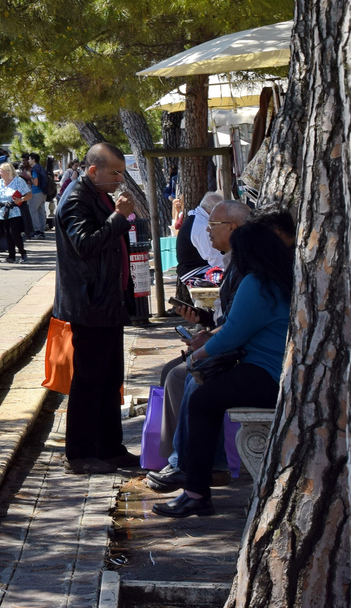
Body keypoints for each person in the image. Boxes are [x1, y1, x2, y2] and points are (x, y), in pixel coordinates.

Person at [153, 216, 293, 517]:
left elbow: (231, 334)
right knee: (204, 397)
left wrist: (196, 356)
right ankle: (193, 482)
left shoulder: (257, 283)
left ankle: (196, 491)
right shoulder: (280, 278)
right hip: (275, 369)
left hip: (266, 373)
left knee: (203, 401)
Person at [146, 198, 250, 491]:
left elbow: (238, 327)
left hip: (249, 359)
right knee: (174, 371)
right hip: (234, 350)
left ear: (232, 228)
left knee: (188, 375)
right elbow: (229, 321)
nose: (206, 231)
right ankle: (179, 460)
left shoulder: (248, 270)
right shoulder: (234, 262)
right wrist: (203, 320)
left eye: (212, 226)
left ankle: (191, 464)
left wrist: (206, 343)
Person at [55, 142, 138, 473]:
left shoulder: (97, 194)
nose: (121, 178)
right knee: (89, 380)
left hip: (106, 301)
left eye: (122, 171)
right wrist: (119, 218)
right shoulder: (76, 198)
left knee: (109, 378)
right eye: (115, 172)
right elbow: (86, 244)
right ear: (93, 171)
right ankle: (81, 452)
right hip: (89, 303)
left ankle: (109, 446)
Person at [0, 162, 31, 262]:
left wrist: (21, 199)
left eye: (1, 171)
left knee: (14, 232)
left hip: (15, 211)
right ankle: (11, 256)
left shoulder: (18, 181)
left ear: (8, 171)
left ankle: (22, 253)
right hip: (3, 211)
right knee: (7, 234)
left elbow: (29, 194)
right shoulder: (0, 182)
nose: (0, 173)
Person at [188, 192, 227, 269]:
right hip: (196, 271)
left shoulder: (198, 217)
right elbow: (214, 260)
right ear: (213, 210)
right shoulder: (201, 226)